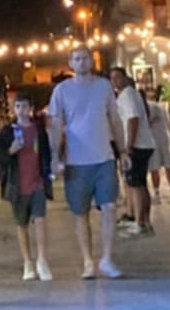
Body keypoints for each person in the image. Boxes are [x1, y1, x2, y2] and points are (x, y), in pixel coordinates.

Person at [46, 47, 124, 279]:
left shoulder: (103, 86)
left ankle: (107, 257)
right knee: (80, 213)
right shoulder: (61, 91)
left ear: (92, 61)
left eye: (85, 58)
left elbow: (115, 118)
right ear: (71, 63)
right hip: (76, 161)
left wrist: (123, 150)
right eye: (77, 59)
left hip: (104, 158)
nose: (81, 62)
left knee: (109, 206)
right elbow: (55, 125)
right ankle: (88, 261)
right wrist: (54, 156)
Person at [0, 92, 53, 280]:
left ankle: (42, 260)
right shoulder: (7, 132)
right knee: (22, 224)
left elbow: (46, 153)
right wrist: (11, 150)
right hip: (17, 184)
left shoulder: (38, 130)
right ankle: (27, 262)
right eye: (18, 106)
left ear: (31, 109)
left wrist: (49, 173)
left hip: (37, 182)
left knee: (40, 219)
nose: (21, 110)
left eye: (25, 106)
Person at [111, 68, 156, 236]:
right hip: (142, 144)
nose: (115, 81)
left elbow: (132, 120)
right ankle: (142, 219)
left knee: (135, 184)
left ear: (125, 77)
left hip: (137, 146)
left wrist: (128, 146)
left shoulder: (128, 95)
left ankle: (140, 223)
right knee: (139, 184)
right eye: (112, 78)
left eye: (118, 77)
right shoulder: (128, 95)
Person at [145, 88, 170, 205]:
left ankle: (157, 194)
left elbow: (147, 122)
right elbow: (167, 122)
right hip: (165, 138)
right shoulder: (163, 107)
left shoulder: (148, 106)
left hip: (153, 140)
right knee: (168, 166)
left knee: (154, 168)